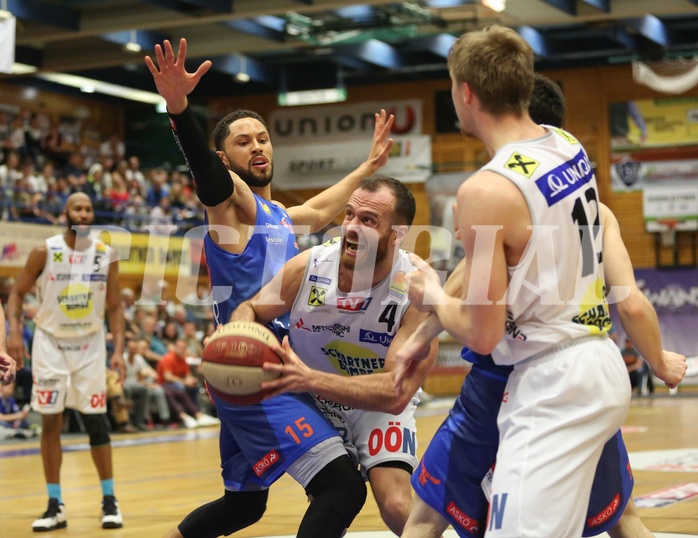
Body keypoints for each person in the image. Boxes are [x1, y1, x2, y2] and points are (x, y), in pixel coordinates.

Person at [146, 37, 395, 538]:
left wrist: (367, 169)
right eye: (244, 141)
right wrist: (179, 109)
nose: (257, 146)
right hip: (253, 367)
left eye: (262, 137)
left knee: (242, 507)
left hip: (251, 369)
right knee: (341, 487)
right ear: (224, 155)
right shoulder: (230, 206)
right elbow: (209, 176)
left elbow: (322, 210)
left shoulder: (277, 215)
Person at [394, 26, 637, 538]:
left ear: (466, 92)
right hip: (596, 359)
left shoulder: (486, 189)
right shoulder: (568, 145)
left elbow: (482, 333)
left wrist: (433, 296)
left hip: (549, 376)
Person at [234, 176, 438, 535]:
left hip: (375, 403)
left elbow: (395, 393)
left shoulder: (417, 288)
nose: (352, 228)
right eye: (349, 215)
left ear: (397, 235)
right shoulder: (309, 266)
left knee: (394, 503)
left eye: (369, 220)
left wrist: (310, 379)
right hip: (313, 401)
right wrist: (232, 339)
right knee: (334, 497)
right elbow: (250, 308)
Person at [7, 192, 126, 532]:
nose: (85, 214)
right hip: (50, 344)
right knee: (50, 424)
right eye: (78, 208)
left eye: (89, 209)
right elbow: (16, 293)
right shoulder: (44, 250)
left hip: (89, 345)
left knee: (96, 422)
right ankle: (54, 503)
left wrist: (118, 349)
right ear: (65, 214)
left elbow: (115, 307)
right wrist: (15, 333)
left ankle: (109, 500)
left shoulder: (106, 255)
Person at [156, 338, 218, 429]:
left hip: (176, 383)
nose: (182, 350)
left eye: (184, 348)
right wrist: (185, 382)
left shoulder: (182, 359)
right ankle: (189, 416)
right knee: (179, 389)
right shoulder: (168, 358)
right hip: (163, 384)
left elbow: (187, 374)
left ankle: (199, 415)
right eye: (180, 347)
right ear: (174, 347)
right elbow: (168, 377)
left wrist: (191, 380)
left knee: (194, 387)